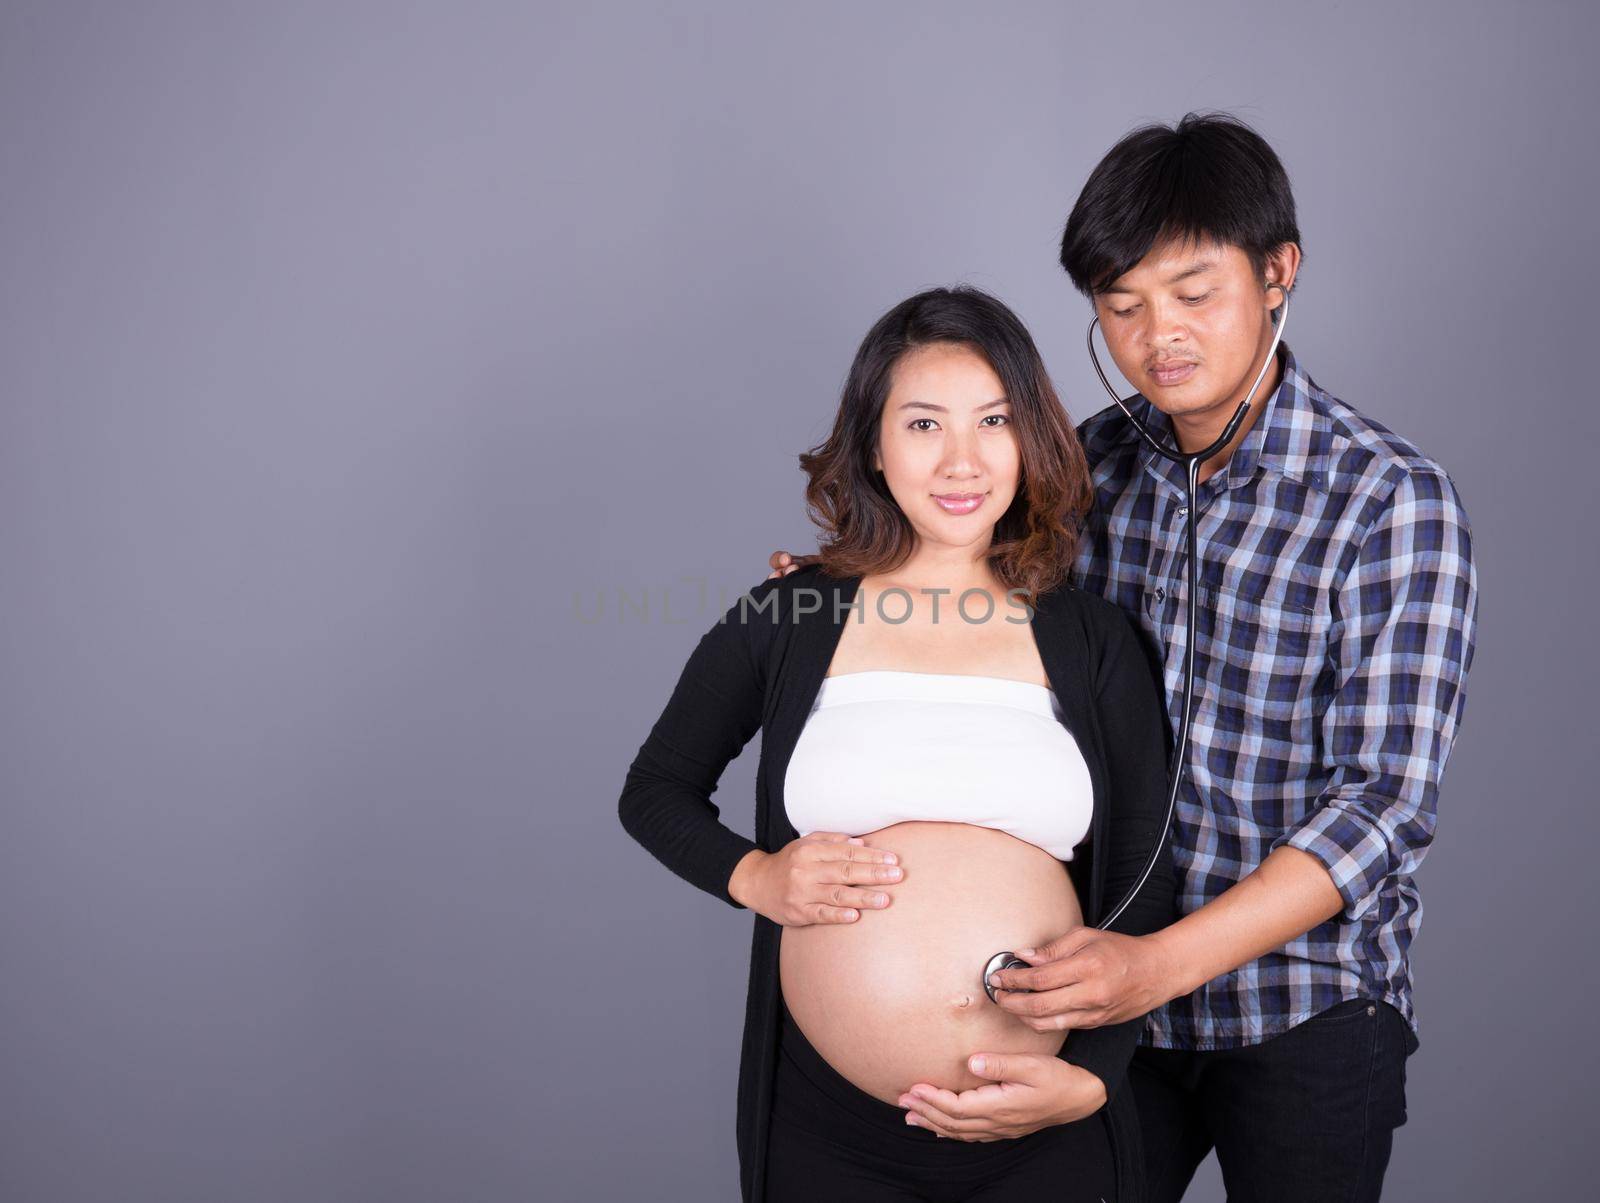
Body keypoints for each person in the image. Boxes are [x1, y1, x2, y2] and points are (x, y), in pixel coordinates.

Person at [769, 112, 1480, 1202]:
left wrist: (1160, 964)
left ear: (1278, 272)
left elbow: (1384, 802)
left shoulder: (1388, 500)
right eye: (1122, 304)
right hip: (1084, 1001)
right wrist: (835, 591)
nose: (1161, 336)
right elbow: (946, 586)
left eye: (1194, 293)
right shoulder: (1083, 471)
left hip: (1302, 1009)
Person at [620, 285, 1177, 1202]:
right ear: (874, 447)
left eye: (993, 420)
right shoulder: (793, 612)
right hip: (831, 1133)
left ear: (1030, 440)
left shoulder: (1091, 638)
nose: (962, 459)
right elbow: (654, 790)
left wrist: (1093, 1074)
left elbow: (1143, 872)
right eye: (923, 424)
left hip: (1042, 1122)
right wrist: (757, 876)